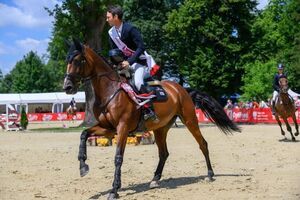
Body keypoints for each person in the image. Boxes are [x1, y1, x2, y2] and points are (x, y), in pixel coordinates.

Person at [106, 5, 158, 121]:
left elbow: (141, 47)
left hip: (141, 62)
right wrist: (117, 63)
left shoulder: (130, 29)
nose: (107, 19)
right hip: (125, 64)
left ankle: (149, 110)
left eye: (108, 17)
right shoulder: (111, 33)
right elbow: (116, 52)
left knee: (138, 82)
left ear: (116, 17)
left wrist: (129, 62)